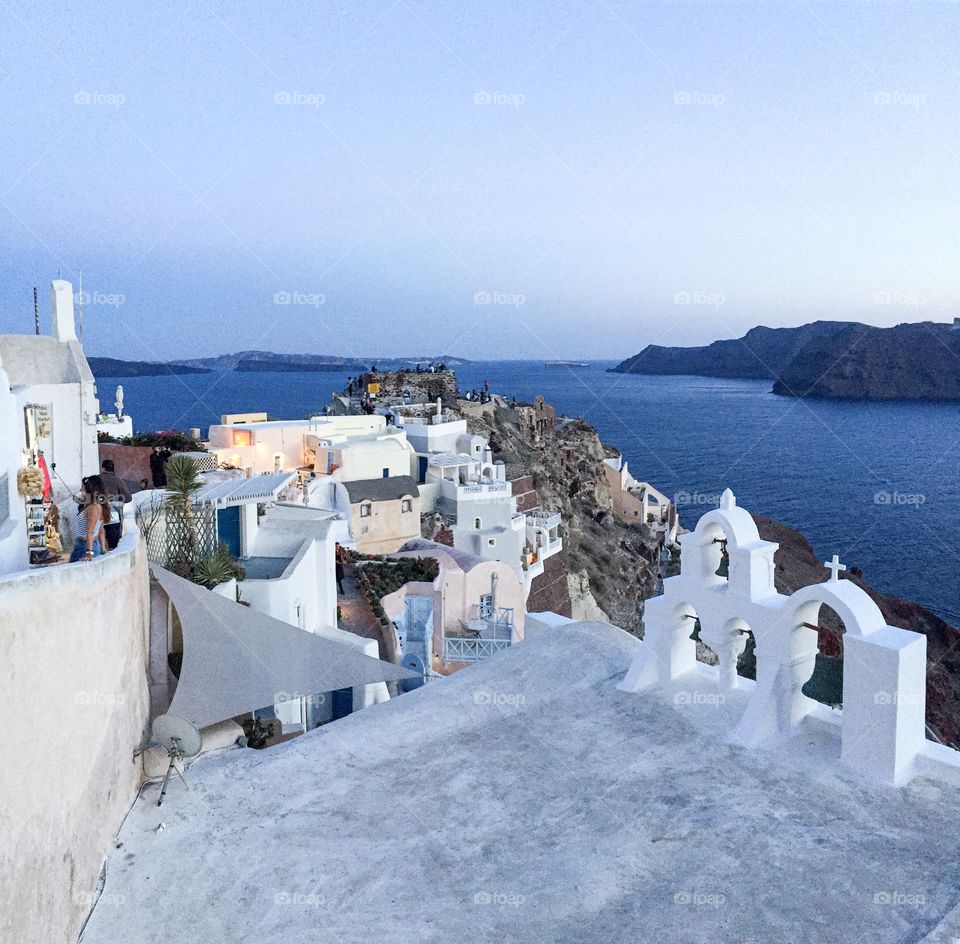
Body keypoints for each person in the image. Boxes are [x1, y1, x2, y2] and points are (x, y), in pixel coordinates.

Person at [69, 476, 111, 563]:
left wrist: (89, 552)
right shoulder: (96, 505)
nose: (80, 490)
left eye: (83, 487)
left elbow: (90, 532)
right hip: (87, 545)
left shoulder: (93, 508)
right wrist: (103, 549)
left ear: (89, 490)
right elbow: (101, 530)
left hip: (84, 546)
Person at [99, 459, 132, 550]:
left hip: (98, 516)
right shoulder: (118, 481)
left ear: (103, 468)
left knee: (98, 545)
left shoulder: (96, 480)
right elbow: (128, 498)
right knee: (113, 547)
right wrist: (116, 499)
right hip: (114, 518)